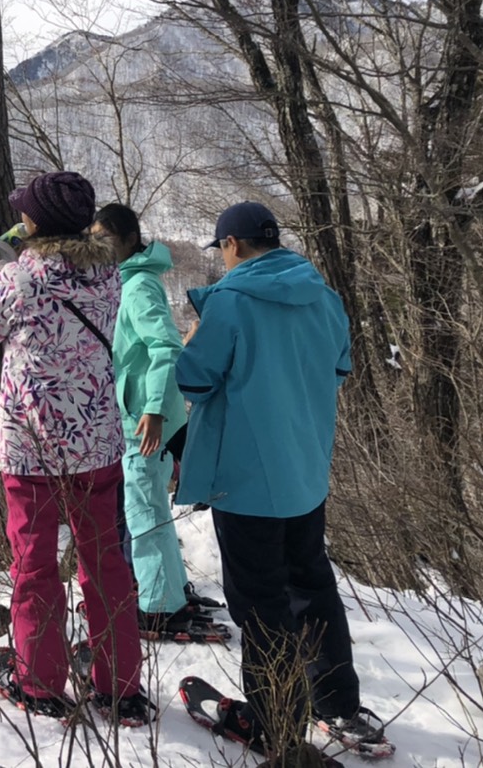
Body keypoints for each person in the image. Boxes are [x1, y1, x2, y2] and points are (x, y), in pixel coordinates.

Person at [174, 201, 388, 761]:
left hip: (246, 479)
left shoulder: (229, 302)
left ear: (233, 246)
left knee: (260, 600)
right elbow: (340, 368)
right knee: (312, 586)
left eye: (220, 249)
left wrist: (194, 337)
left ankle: (277, 718)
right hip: (305, 469)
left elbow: (193, 382)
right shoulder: (324, 296)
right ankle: (337, 702)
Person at [0, 171, 152, 725]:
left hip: (31, 450)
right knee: (104, 562)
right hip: (95, 443)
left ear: (35, 223)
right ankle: (121, 687)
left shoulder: (22, 280)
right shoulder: (109, 275)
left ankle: (41, 682)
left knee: (35, 565)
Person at [91, 202, 223, 643]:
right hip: (148, 419)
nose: (99, 247)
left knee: (143, 512)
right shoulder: (129, 283)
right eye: (94, 239)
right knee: (152, 510)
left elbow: (167, 348)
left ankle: (157, 607)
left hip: (143, 423)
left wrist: (150, 410)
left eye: (104, 238)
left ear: (129, 239)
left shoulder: (138, 287)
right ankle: (170, 594)